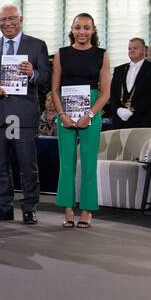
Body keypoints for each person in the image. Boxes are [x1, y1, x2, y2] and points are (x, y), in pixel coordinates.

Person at [0, 3, 50, 224]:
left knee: (27, 165)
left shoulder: (37, 45)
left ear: (21, 19)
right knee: (0, 167)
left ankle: (29, 208)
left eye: (11, 19)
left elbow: (46, 76)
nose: (7, 23)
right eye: (2, 20)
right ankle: (4, 207)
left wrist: (32, 73)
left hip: (24, 115)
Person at [51, 13, 110, 229]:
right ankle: (67, 209)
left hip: (92, 111)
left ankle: (86, 210)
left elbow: (106, 93)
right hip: (65, 110)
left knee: (88, 163)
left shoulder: (102, 55)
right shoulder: (61, 54)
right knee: (66, 163)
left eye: (86, 28)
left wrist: (90, 115)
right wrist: (62, 115)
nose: (82, 32)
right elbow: (54, 89)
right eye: (77, 27)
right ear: (72, 29)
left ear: (93, 30)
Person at [106, 37, 151, 129]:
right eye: (129, 48)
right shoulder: (119, 70)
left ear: (144, 50)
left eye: (135, 48)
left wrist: (132, 109)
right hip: (119, 120)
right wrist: (118, 109)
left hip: (142, 120)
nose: (131, 50)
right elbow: (112, 93)